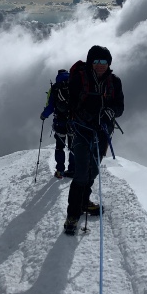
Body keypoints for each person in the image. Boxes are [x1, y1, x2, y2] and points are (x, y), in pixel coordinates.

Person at [61, 45, 124, 235]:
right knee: (81, 172)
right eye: (96, 61)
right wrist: (86, 115)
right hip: (82, 130)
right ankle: (72, 215)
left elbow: (120, 106)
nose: (100, 65)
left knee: (93, 170)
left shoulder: (115, 82)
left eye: (104, 62)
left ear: (109, 63)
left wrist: (109, 112)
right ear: (90, 62)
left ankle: (84, 202)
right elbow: (71, 101)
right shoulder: (80, 79)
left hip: (102, 133)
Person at [40, 69, 74, 179]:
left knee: (60, 147)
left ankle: (60, 171)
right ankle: (73, 170)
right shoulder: (74, 85)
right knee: (73, 147)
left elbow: (50, 106)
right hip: (73, 122)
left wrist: (44, 115)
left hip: (60, 122)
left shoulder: (55, 88)